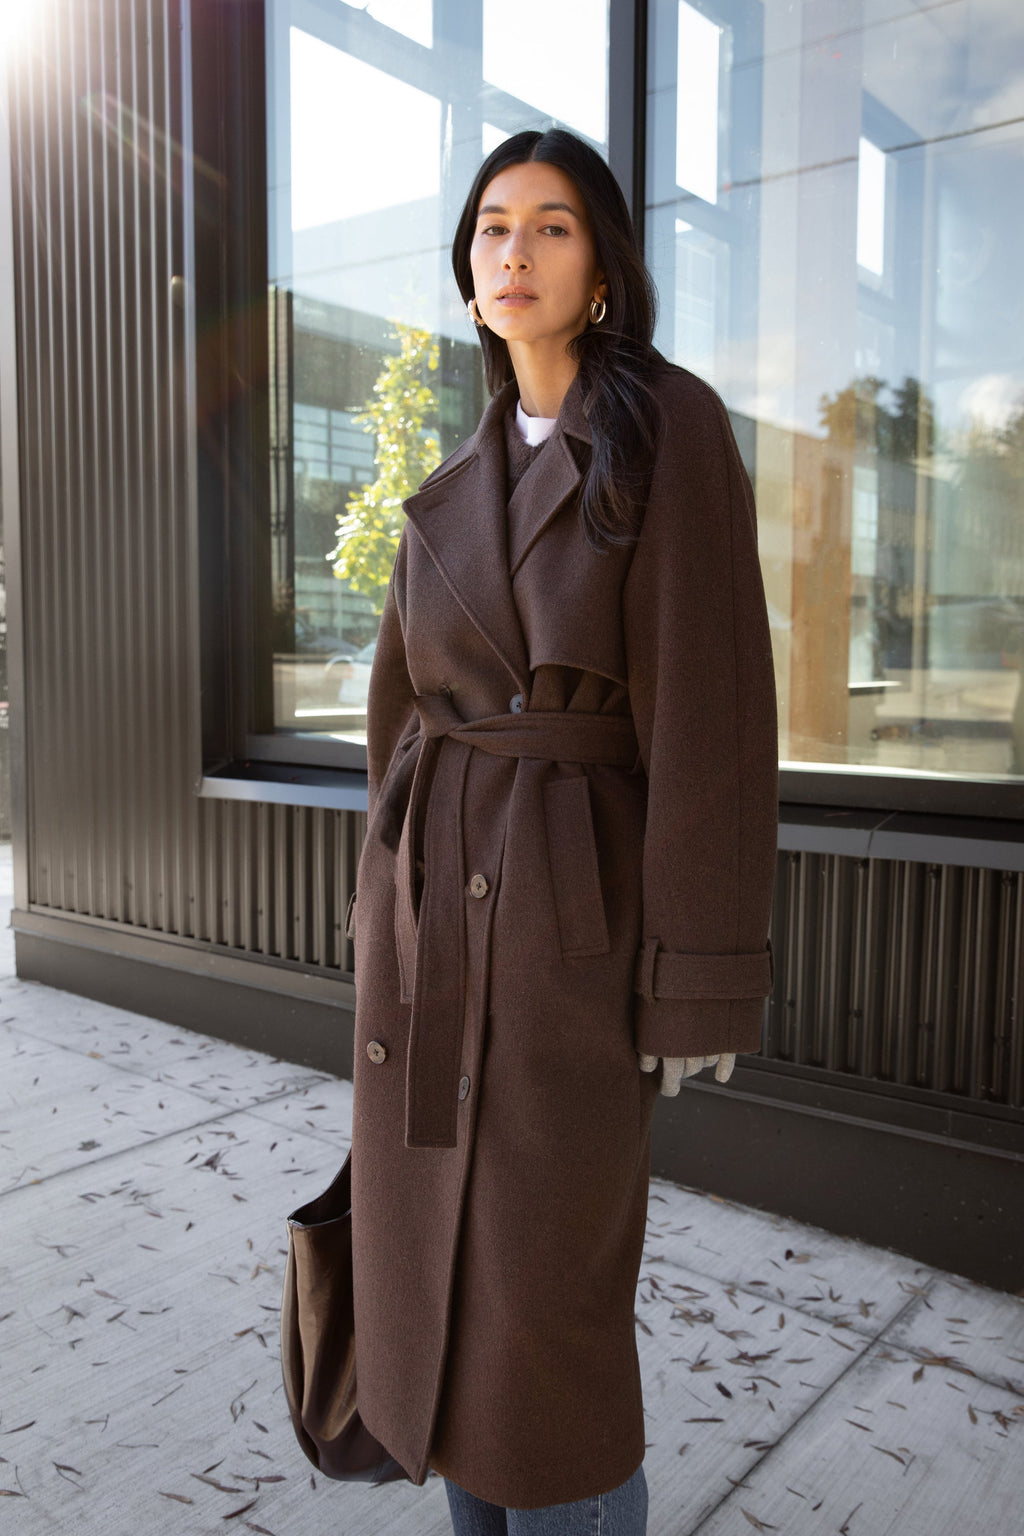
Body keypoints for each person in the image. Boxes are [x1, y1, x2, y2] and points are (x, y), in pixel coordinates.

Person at [346, 127, 778, 1536]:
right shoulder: (451, 480)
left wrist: (697, 970)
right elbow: (401, 713)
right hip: (436, 932)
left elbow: (711, 717)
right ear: (466, 271)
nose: (514, 251)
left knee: (548, 1318)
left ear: (602, 270)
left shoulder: (668, 429)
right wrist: (388, 903)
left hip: (564, 930)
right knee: (444, 1293)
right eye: (492, 227)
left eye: (551, 225)